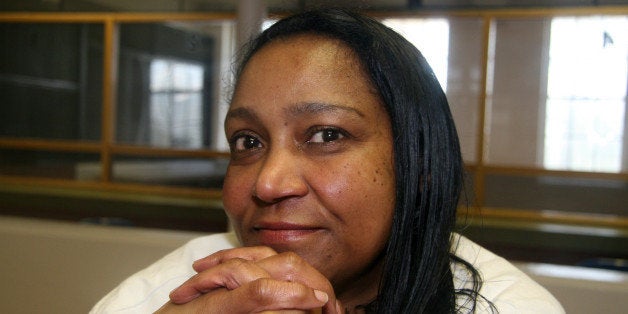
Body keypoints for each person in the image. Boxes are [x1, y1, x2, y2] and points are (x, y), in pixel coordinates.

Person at [91, 8, 564, 314]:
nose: (269, 184)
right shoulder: (169, 293)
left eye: (326, 134)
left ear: (418, 168)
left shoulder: (505, 307)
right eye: (247, 142)